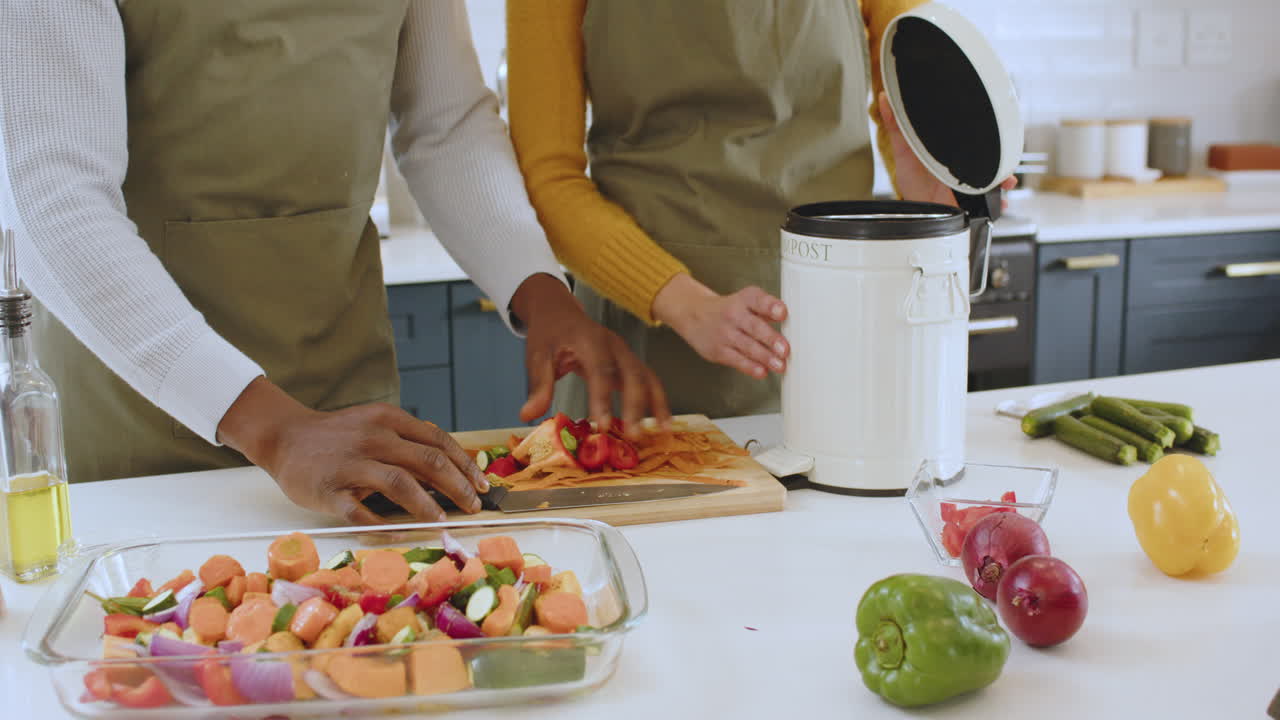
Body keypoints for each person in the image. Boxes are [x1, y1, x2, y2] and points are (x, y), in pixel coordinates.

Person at [0, 0, 669, 525]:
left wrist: (540, 292)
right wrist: (274, 430)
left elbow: (445, 125)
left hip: (345, 406)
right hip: (142, 424)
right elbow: (56, 207)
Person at [507, 0, 1015, 419]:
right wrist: (681, 301)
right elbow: (549, 179)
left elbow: (913, 86)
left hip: (836, 321)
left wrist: (930, 202)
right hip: (649, 343)